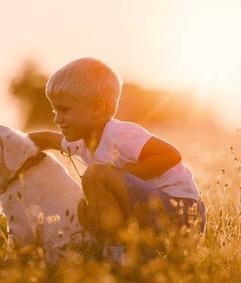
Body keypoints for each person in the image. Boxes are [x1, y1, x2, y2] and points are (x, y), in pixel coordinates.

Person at [27, 57, 205, 264]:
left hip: (182, 214)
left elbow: (170, 155)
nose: (57, 118)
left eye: (64, 110)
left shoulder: (119, 133)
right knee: (84, 210)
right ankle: (132, 253)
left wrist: (120, 177)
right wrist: (11, 145)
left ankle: (116, 256)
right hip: (153, 215)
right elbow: (48, 139)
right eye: (54, 110)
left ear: (96, 108)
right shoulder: (82, 141)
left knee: (95, 176)